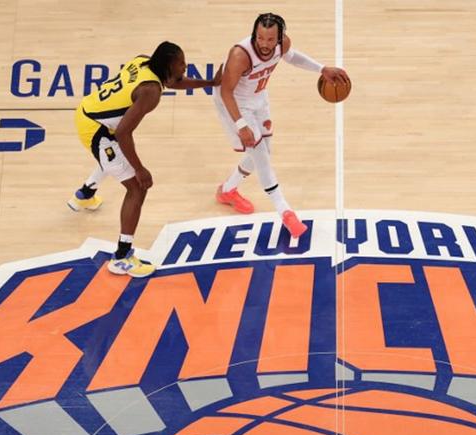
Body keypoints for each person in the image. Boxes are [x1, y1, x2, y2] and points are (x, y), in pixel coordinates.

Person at [71, 41, 219, 277]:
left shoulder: (143, 61)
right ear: (169, 64)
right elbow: (122, 134)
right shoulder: (151, 92)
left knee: (114, 160)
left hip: (88, 111)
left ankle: (85, 194)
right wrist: (140, 169)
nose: (185, 65)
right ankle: (121, 257)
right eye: (181, 62)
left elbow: (175, 81)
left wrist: (210, 83)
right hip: (97, 130)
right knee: (137, 187)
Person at [213, 13, 349, 237]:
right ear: (254, 34)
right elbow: (226, 91)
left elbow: (292, 56)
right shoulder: (240, 55)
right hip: (234, 102)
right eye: (260, 38)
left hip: (258, 95)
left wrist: (321, 69)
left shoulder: (283, 44)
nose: (264, 44)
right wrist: (240, 124)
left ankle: (227, 190)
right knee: (261, 155)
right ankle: (285, 211)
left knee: (264, 151)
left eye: (269, 39)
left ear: (279, 37)